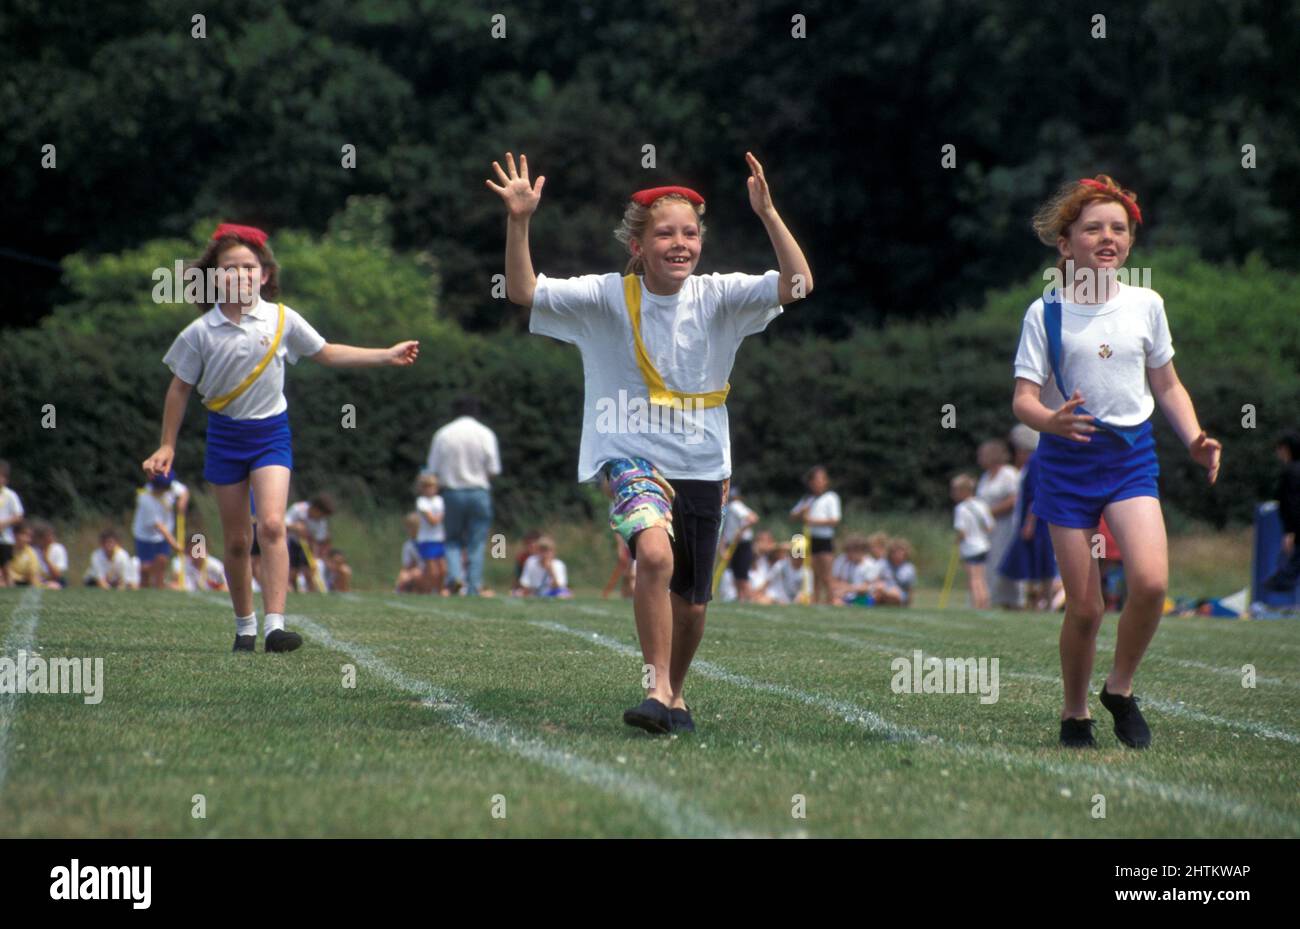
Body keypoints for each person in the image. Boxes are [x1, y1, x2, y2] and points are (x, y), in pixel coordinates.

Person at [489, 149, 812, 733]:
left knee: (691, 602)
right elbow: (523, 292)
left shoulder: (720, 296)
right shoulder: (607, 296)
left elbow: (798, 283)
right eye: (665, 234)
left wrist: (767, 213)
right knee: (654, 556)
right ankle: (655, 687)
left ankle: (676, 692)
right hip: (630, 454)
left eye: (690, 233)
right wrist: (519, 220)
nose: (680, 243)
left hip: (704, 460)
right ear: (637, 245)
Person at [142, 223, 419, 653]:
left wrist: (385, 355)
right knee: (236, 540)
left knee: (272, 525)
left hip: (271, 434)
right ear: (214, 277)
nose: (241, 275)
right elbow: (178, 389)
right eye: (230, 269)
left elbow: (325, 352)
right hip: (225, 437)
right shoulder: (199, 333)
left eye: (250, 268)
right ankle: (244, 626)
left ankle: (275, 626)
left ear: (265, 275)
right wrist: (167, 445)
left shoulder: (282, 318)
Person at [1013, 175, 1220, 748]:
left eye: (1119, 229)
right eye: (1093, 228)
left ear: (1129, 241)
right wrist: (1048, 421)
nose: (1108, 238)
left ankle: (1119, 689)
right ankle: (1074, 713)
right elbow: (1023, 400)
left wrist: (1196, 438)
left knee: (1151, 583)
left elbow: (1169, 385)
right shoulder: (1045, 313)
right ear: (1066, 243)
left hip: (1131, 457)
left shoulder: (1146, 304)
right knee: (1085, 607)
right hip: (1066, 461)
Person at [427, 396, 501, 597]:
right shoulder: (485, 433)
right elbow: (493, 469)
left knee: (452, 540)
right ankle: (474, 585)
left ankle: (455, 577)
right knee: (476, 542)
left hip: (452, 492)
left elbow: (432, 469)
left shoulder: (443, 434)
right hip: (479, 492)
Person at [998, 425, 1059, 611]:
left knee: (1034, 562)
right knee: (1041, 562)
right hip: (1042, 519)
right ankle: (1041, 602)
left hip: (1037, 521)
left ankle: (1037, 602)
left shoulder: (1034, 461)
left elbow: (1036, 494)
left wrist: (1029, 523)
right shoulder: (1042, 458)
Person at [977, 438, 1021, 608]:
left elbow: (1014, 499)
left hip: (1006, 527)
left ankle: (1013, 601)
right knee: (989, 564)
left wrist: (989, 513)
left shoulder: (1009, 474)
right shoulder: (985, 477)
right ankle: (990, 600)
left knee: (1004, 561)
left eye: (982, 454)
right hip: (988, 529)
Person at [790, 465, 841, 604]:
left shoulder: (831, 497)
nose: (818, 483)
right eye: (815, 480)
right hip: (809, 539)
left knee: (826, 575)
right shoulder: (807, 499)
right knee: (814, 575)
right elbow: (793, 516)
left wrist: (812, 521)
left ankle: (831, 602)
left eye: (821, 479)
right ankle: (816, 603)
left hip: (824, 539)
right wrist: (802, 512)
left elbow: (834, 520)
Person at [132, 472, 188, 589]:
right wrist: (175, 544)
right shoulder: (145, 499)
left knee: (162, 561)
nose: (169, 490)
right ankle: (144, 587)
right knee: (146, 567)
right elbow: (159, 526)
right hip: (145, 536)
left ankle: (159, 587)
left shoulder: (170, 486)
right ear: (158, 487)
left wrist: (182, 502)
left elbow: (184, 491)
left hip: (162, 536)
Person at [1263, 431, 1300, 595]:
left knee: (1287, 573)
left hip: (1296, 527)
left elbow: (1292, 504)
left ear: (1286, 449)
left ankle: (1269, 601)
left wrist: (1290, 532)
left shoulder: (1291, 472)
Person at [951, 474, 994, 609]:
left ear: (963, 491)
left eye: (955, 490)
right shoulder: (981, 505)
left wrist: (956, 541)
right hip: (984, 545)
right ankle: (985, 604)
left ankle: (976, 605)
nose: (953, 494)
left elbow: (962, 532)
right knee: (981, 578)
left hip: (970, 547)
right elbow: (990, 526)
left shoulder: (961, 508)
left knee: (974, 579)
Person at [283, 494, 334, 593]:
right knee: (292, 573)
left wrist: (314, 556)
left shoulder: (321, 521)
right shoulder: (298, 509)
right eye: (321, 514)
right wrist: (295, 527)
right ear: (315, 508)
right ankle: (293, 592)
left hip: (308, 545)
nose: (321, 518)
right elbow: (283, 524)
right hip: (291, 542)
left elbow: (317, 540)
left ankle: (312, 593)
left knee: (309, 573)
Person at [719, 486, 760, 601]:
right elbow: (725, 530)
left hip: (741, 544)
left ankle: (751, 599)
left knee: (742, 576)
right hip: (734, 544)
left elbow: (753, 518)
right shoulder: (728, 508)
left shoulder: (735, 506)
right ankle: (741, 600)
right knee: (737, 576)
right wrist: (723, 549)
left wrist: (742, 530)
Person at [414, 474, 447, 595]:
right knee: (432, 570)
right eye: (427, 487)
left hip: (439, 538)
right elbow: (432, 520)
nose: (430, 489)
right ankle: (428, 591)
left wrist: (438, 517)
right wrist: (438, 517)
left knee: (443, 570)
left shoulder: (439, 500)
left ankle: (440, 590)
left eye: (432, 486)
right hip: (426, 539)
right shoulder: (421, 501)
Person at [0, 460, 25, 587]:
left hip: (5, 538)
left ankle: (10, 590)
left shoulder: (10, 495)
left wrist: (3, 523)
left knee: (6, 568)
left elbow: (19, 515)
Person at [872, 538, 917, 606]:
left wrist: (908, 604)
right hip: (882, 590)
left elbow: (910, 589)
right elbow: (875, 580)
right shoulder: (883, 564)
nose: (897, 555)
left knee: (894, 594)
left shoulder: (909, 569)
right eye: (895, 552)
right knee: (879, 588)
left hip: (899, 594)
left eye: (900, 552)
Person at [31, 520, 69, 589]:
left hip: (54, 580)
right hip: (36, 580)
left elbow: (58, 575)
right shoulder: (33, 550)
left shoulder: (58, 549)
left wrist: (46, 559)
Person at [4, 522, 41, 586]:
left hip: (23, 583)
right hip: (6, 580)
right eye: (24, 535)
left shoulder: (31, 553)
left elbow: (33, 576)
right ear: (15, 534)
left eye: (30, 536)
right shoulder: (5, 550)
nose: (27, 539)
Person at [396, 513, 425, 593]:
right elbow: (407, 565)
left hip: (427, 571)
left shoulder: (427, 542)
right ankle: (399, 591)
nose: (407, 530)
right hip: (417, 571)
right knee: (403, 575)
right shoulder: (408, 545)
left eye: (410, 527)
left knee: (415, 574)